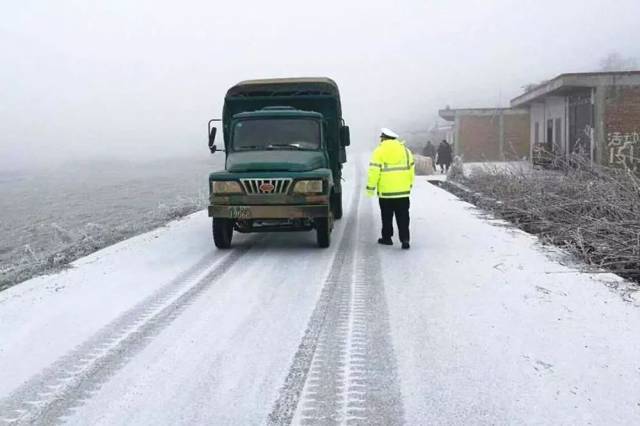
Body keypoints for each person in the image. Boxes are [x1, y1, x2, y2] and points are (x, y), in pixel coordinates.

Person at [367, 128, 415, 250]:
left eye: (381, 137)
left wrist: (370, 188)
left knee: (386, 216)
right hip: (403, 193)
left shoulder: (378, 151)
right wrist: (409, 185)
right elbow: (411, 171)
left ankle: (387, 238)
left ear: (384, 138)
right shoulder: (406, 151)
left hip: (386, 193)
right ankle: (405, 239)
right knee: (403, 216)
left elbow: (374, 171)